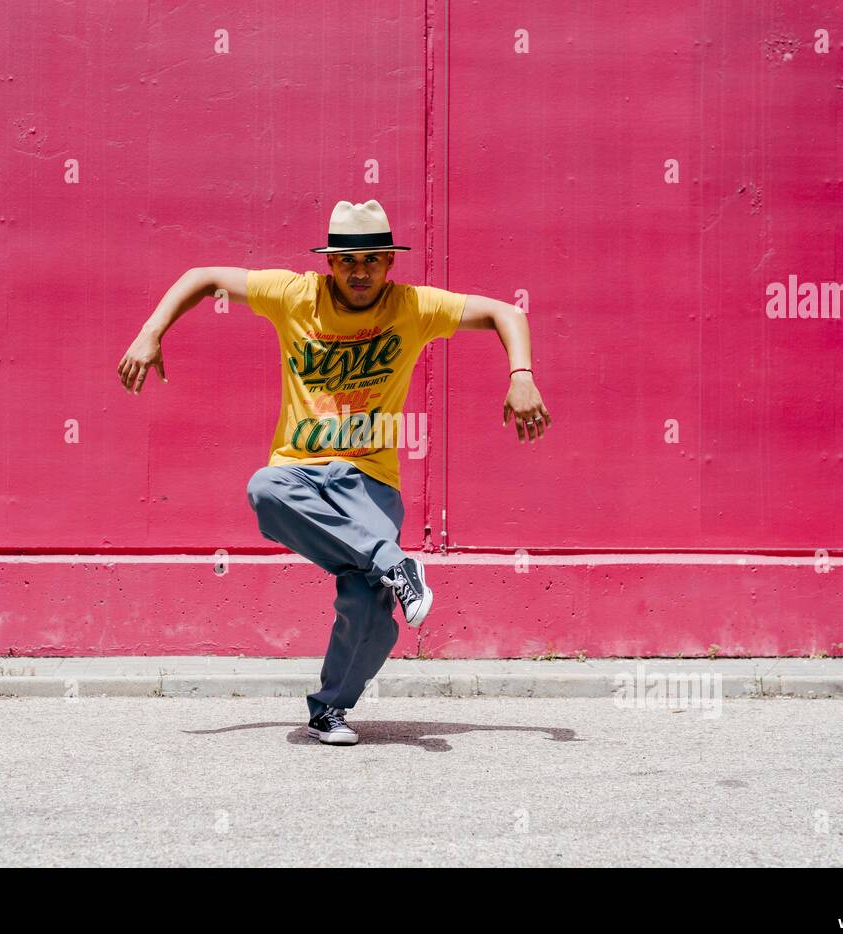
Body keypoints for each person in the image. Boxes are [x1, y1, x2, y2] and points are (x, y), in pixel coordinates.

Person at [117, 199, 551, 745]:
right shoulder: (294, 295)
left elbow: (506, 313)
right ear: (330, 263)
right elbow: (203, 277)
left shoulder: (413, 306)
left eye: (372, 260)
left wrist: (521, 373)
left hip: (369, 484)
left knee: (368, 604)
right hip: (300, 476)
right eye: (348, 261)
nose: (360, 271)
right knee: (264, 489)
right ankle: (395, 562)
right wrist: (151, 330)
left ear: (390, 262)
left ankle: (330, 708)